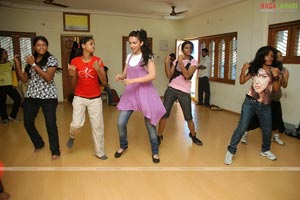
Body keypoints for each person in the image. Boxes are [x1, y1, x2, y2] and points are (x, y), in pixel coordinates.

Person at [114, 29, 166, 163]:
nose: (131, 45)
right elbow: (126, 74)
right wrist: (120, 76)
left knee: (150, 124)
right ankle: (123, 145)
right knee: (120, 122)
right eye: (130, 42)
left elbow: (152, 76)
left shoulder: (147, 57)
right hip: (130, 93)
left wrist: (133, 80)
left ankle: (155, 152)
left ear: (141, 42)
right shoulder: (129, 57)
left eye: (134, 43)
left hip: (145, 92)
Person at [224, 46, 281, 165]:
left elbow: (276, 90)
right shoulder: (255, 67)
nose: (271, 58)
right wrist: (243, 70)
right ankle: (231, 151)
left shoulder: (275, 70)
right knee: (242, 127)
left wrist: (275, 76)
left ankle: (265, 150)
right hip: (250, 102)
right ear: (262, 55)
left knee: (267, 129)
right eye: (268, 55)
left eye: (272, 56)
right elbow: (242, 81)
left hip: (265, 105)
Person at [14, 36, 61, 160]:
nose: (41, 47)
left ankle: (55, 150)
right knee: (28, 122)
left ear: (47, 46)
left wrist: (33, 64)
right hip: (32, 95)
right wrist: (18, 65)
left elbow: (48, 77)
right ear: (34, 47)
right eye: (39, 45)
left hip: (48, 96)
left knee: (50, 124)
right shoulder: (31, 60)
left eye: (44, 45)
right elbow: (24, 79)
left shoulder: (51, 59)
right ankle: (39, 143)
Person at [66, 36, 108, 160]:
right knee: (76, 125)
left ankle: (99, 152)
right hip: (79, 97)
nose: (93, 46)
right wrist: (72, 75)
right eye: (91, 44)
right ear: (83, 46)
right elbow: (71, 85)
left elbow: (104, 82)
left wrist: (98, 70)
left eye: (94, 44)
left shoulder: (98, 61)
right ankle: (72, 136)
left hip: (95, 98)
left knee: (97, 126)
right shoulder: (75, 61)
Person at [157, 41, 203, 146]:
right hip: (171, 89)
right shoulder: (177, 60)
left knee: (188, 116)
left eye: (190, 48)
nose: (188, 50)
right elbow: (169, 75)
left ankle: (193, 135)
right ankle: (159, 135)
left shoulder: (194, 62)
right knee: (164, 114)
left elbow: (187, 75)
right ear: (182, 49)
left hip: (184, 92)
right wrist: (166, 63)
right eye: (186, 48)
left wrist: (181, 62)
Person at [241, 50, 289, 145]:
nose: (280, 58)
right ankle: (245, 134)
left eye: (281, 56)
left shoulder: (284, 70)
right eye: (277, 56)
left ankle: (276, 137)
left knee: (277, 118)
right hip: (262, 98)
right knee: (254, 118)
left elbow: (284, 86)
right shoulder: (266, 68)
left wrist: (281, 77)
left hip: (275, 98)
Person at [0, 48, 21, 124]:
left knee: (18, 99)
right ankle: (4, 117)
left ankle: (12, 116)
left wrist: (15, 84)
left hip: (9, 86)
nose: (7, 54)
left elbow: (14, 74)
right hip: (0, 87)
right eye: (5, 53)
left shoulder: (10, 63)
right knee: (2, 102)